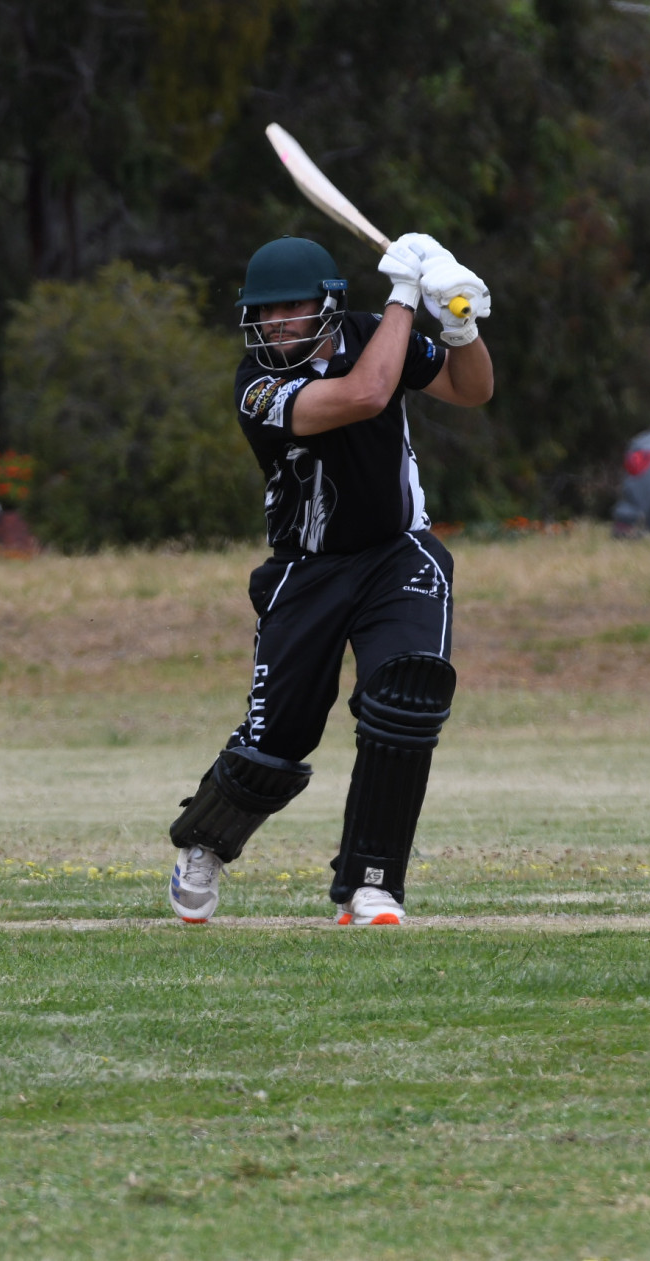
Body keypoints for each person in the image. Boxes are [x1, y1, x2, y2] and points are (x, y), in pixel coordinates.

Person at [164, 232, 495, 925]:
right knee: (274, 746)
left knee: (404, 698)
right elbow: (367, 394)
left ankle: (371, 882)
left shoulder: (373, 333)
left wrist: (460, 327)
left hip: (397, 553)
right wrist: (408, 292)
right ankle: (204, 845)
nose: (276, 323)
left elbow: (473, 390)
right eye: (265, 311)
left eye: (291, 308)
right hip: (306, 571)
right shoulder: (256, 386)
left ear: (330, 305)